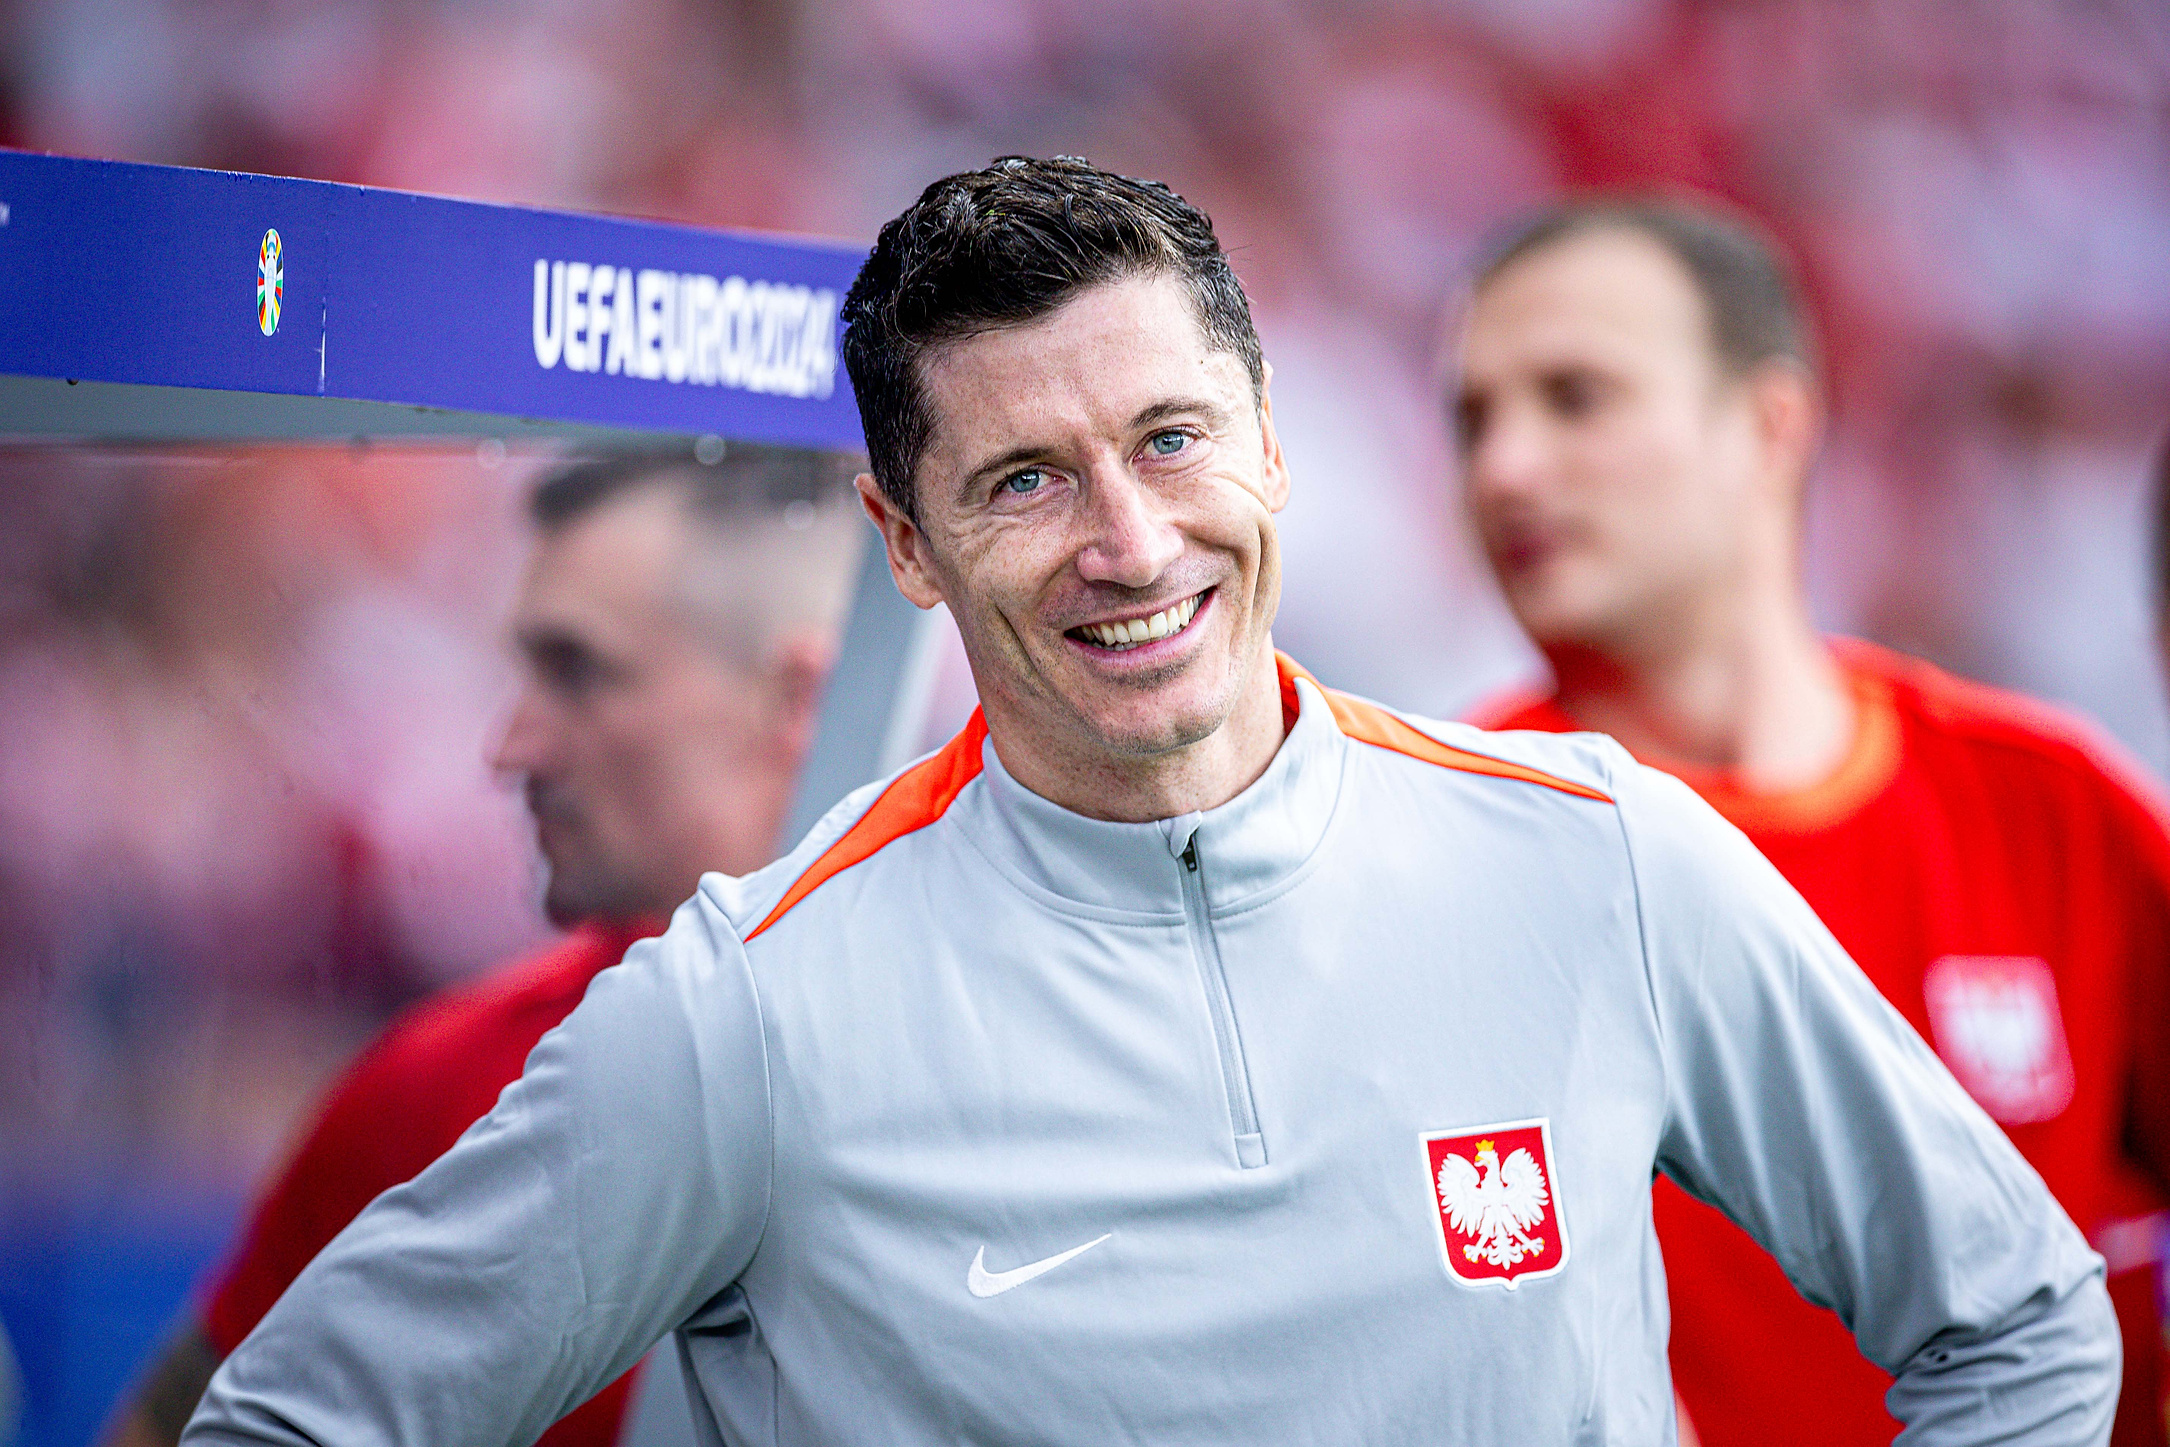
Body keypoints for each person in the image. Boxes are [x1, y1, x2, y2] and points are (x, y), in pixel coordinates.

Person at [183, 156, 2117, 1447]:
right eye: (1022, 478)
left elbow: (2019, 1324)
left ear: (1271, 443)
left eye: (1173, 439)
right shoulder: (748, 1008)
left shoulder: (1598, 858)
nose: (1129, 541)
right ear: (906, 545)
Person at [1452, 196, 2170, 1446]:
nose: (1503, 465)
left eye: (1575, 397)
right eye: (1472, 419)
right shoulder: (1446, 846)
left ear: (1769, 425)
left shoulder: (2053, 805)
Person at [106, 446, 858, 1447]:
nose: (512, 746)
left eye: (579, 672)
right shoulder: (445, 1088)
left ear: (795, 699)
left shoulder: (990, 1041)